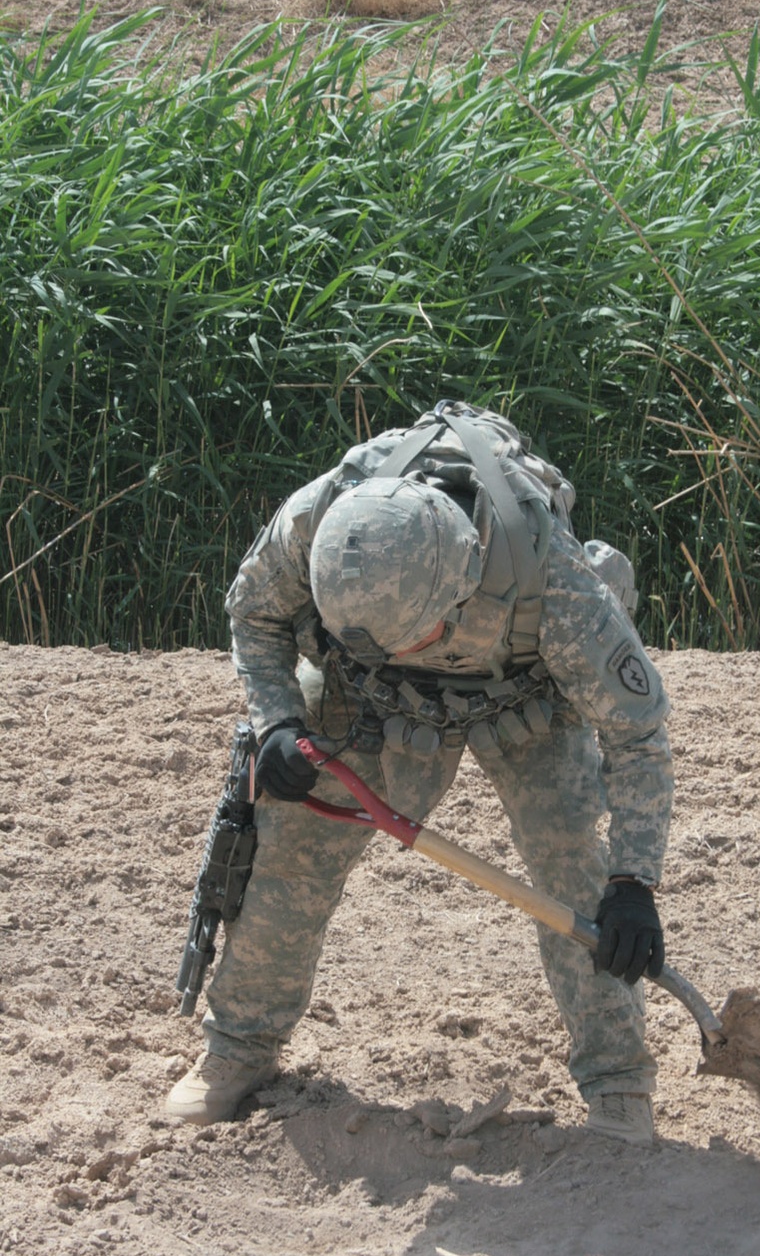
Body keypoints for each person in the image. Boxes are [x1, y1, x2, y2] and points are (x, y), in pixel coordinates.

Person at [165, 401, 674, 1144]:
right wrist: (277, 720)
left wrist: (634, 882)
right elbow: (254, 611)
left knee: (574, 862)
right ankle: (238, 1046)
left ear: (462, 586)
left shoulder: (559, 587)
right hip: (366, 694)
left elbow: (637, 732)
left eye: (412, 636)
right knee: (294, 844)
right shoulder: (316, 521)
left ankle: (618, 1079)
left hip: (527, 694)